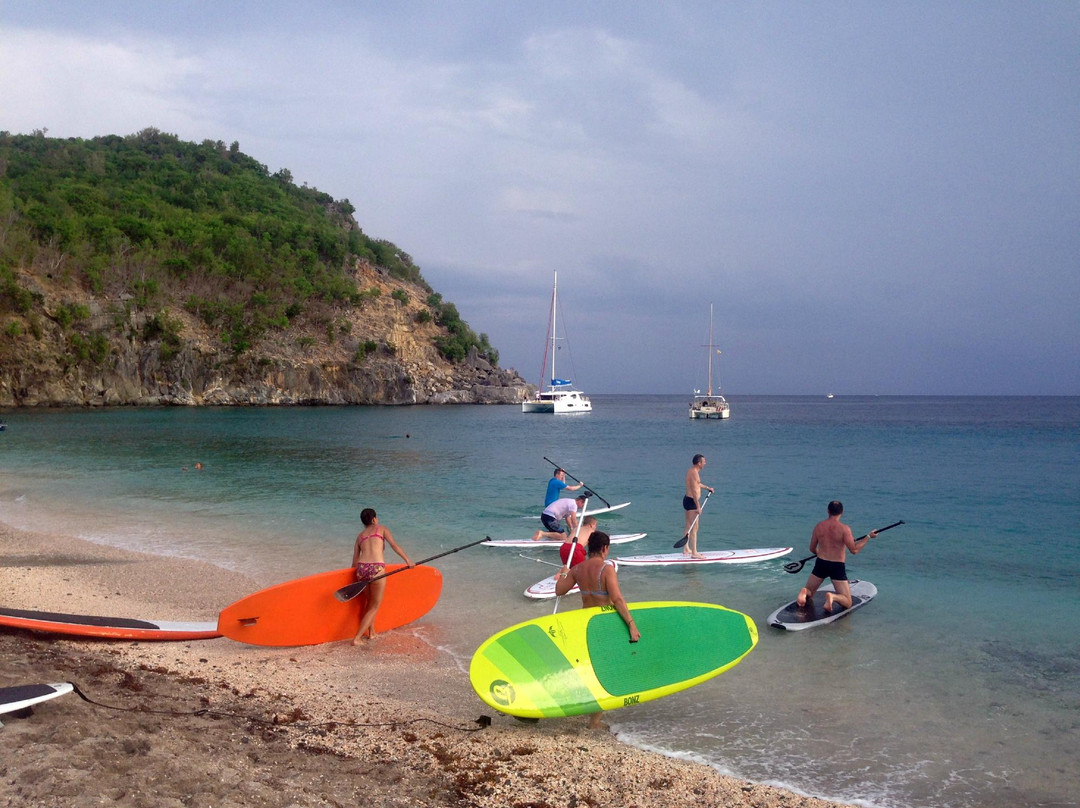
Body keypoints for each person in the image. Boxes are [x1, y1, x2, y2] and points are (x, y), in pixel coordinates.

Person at [555, 530, 641, 729]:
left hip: (586, 623)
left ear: (588, 548)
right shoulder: (607, 569)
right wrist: (631, 624)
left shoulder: (577, 569)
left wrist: (564, 572)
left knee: (590, 667)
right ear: (605, 548)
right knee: (605, 670)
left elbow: (559, 590)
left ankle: (582, 705)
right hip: (605, 624)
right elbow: (617, 599)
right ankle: (595, 721)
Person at [796, 501, 878, 613]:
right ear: (842, 512)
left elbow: (812, 548)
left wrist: (820, 553)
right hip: (837, 566)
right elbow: (854, 550)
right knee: (848, 602)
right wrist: (868, 537)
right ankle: (833, 597)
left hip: (821, 563)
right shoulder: (845, 529)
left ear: (828, 511)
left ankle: (805, 591)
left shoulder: (819, 526)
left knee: (810, 593)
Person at [351, 508, 415, 644]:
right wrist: (407, 560)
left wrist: (353, 580)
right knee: (374, 606)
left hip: (362, 569)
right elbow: (394, 545)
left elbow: (354, 561)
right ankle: (357, 638)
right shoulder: (382, 529)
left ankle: (372, 633)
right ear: (374, 519)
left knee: (369, 603)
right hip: (376, 568)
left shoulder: (360, 536)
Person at [683, 454, 715, 559]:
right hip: (692, 502)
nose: (705, 463)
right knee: (694, 528)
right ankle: (694, 553)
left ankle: (686, 548)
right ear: (699, 463)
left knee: (689, 526)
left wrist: (707, 488)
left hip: (688, 500)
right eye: (703, 462)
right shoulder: (694, 473)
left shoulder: (691, 471)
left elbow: (697, 484)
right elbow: (693, 490)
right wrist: (698, 506)